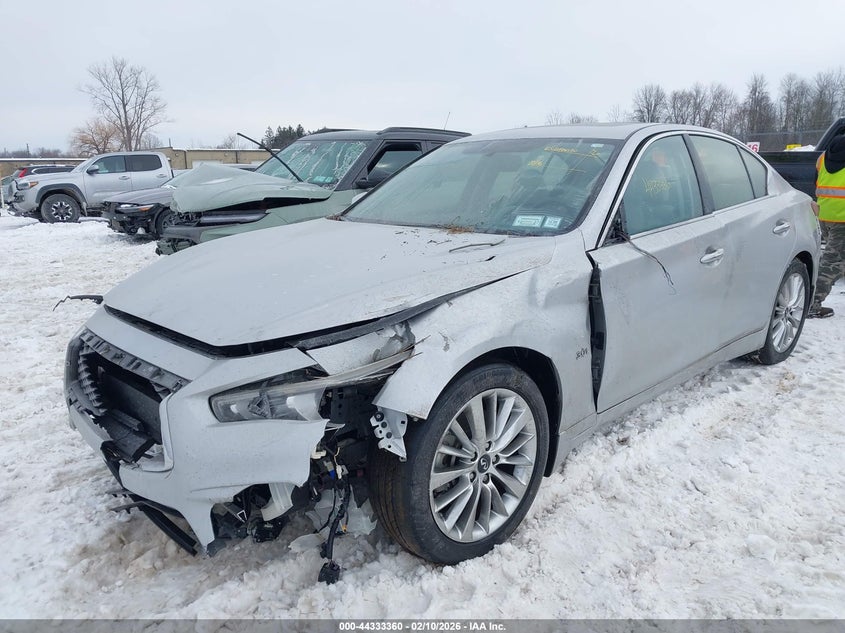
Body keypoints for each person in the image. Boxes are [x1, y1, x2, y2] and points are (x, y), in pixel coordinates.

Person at [808, 134, 845, 318]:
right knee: (833, 263)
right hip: (843, 219)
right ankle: (811, 304)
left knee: (833, 258)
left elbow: (816, 182)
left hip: (825, 215)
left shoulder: (823, 156)